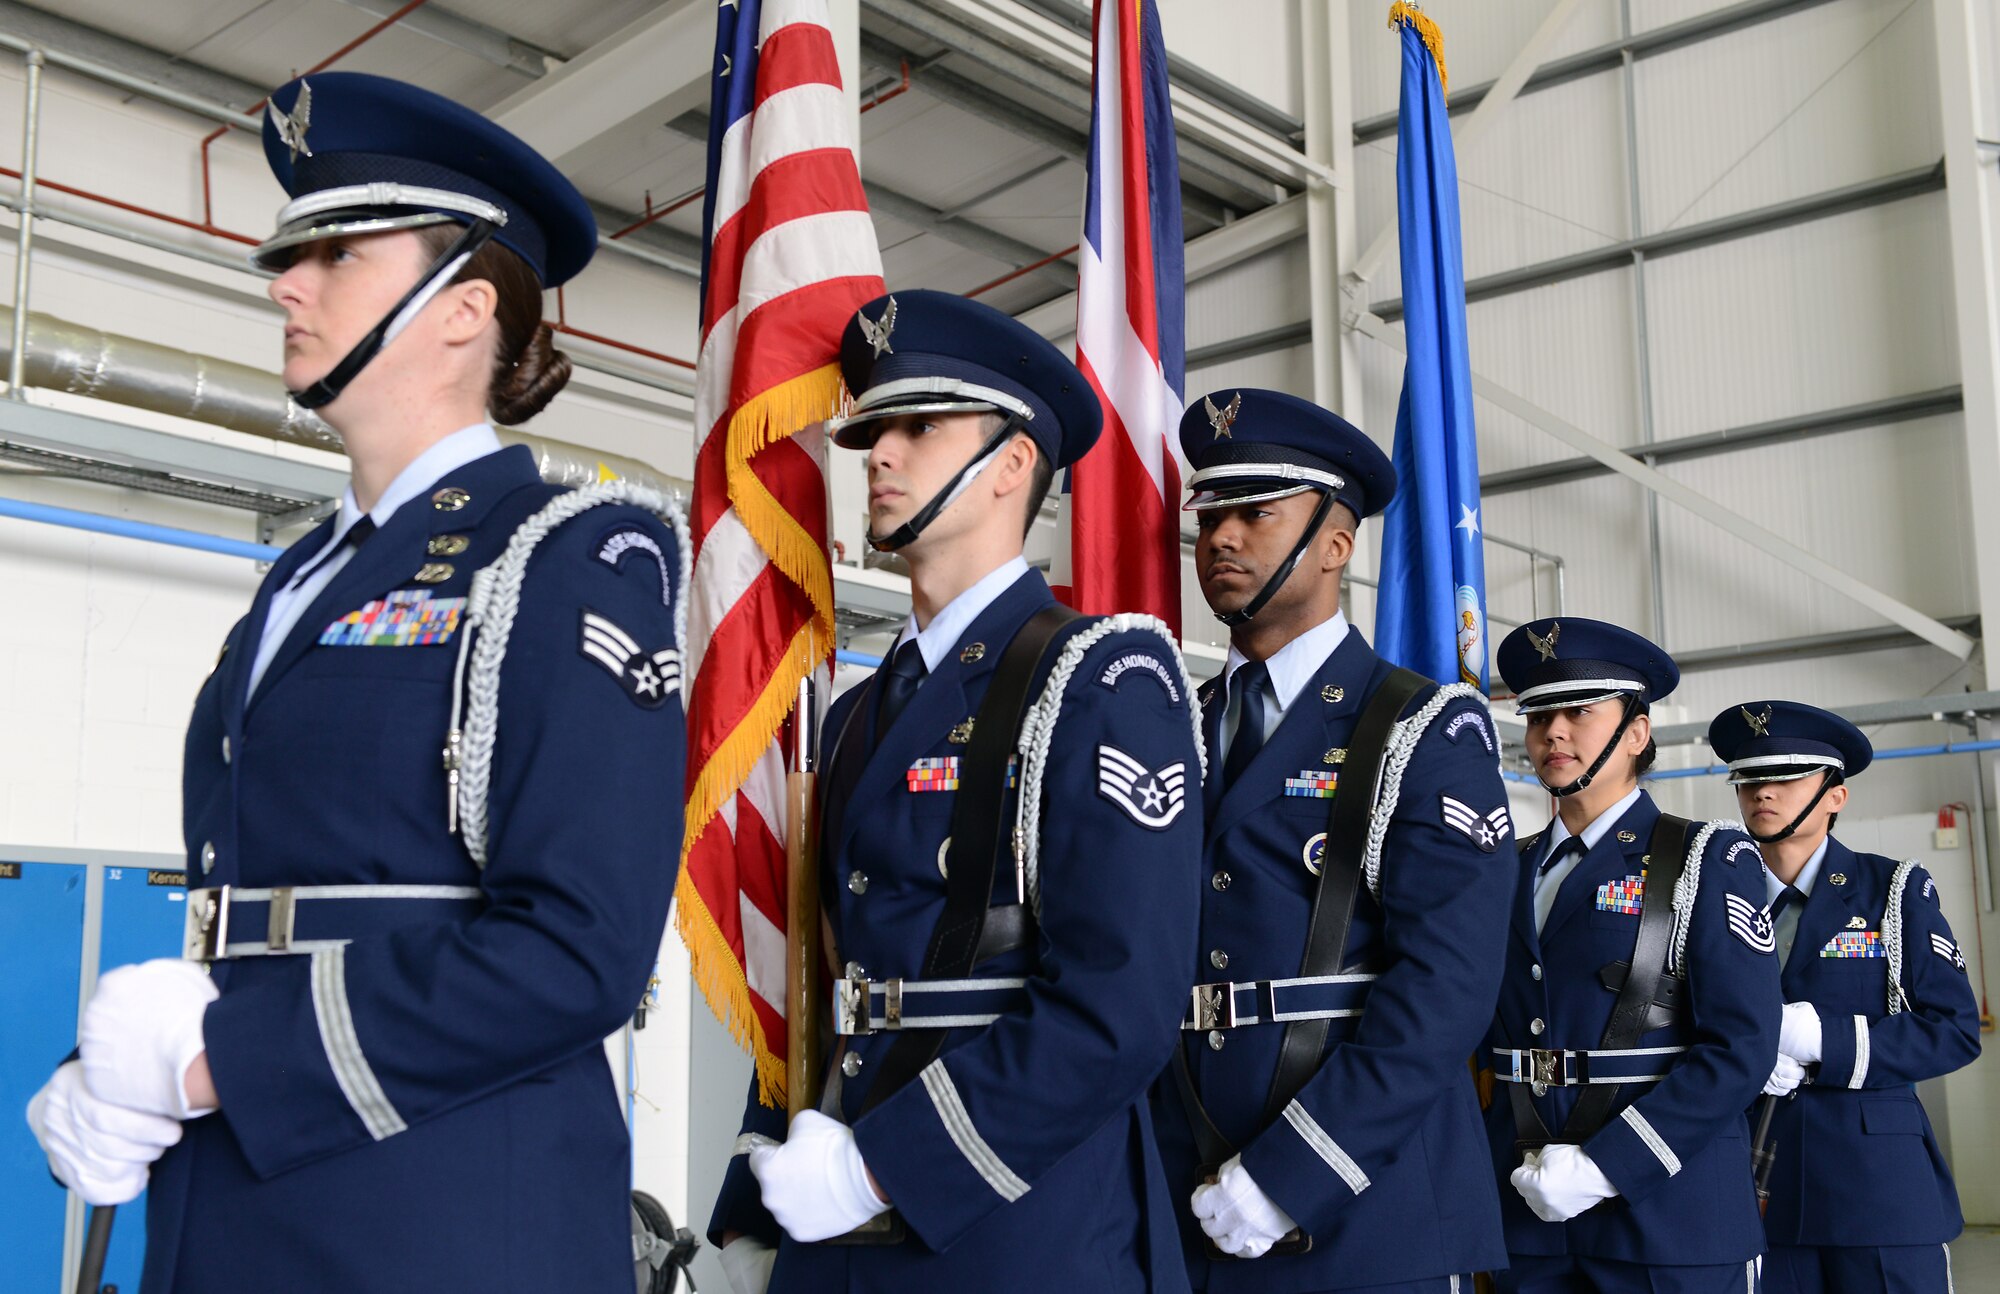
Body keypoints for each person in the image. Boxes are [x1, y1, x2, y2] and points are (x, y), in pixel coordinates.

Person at [23, 72, 687, 1292]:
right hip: (240, 1195)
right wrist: (126, 1072)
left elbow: (576, 949)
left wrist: (214, 1060)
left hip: (430, 1216)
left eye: (335, 254)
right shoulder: (303, 576)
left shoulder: (566, 555)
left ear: (462, 307)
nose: (287, 283)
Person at [706, 289, 1204, 1293]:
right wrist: (755, 1187)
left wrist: (878, 1168)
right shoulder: (852, 713)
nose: (879, 454)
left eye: (919, 428)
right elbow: (828, 984)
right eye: (875, 429)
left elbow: (1120, 1005)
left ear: (1011, 465)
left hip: (1008, 1225)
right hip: (835, 1221)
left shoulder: (1099, 682)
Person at [1151, 387, 1512, 1292]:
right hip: (1177, 1194)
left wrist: (1289, 1177)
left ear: (1337, 546)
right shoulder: (1169, 729)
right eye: (1212, 517)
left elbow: (1446, 989)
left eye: (1256, 515)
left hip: (1361, 1212)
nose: (1222, 538)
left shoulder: (1427, 729)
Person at [1484, 618, 1782, 1294]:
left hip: (1668, 1219)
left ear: (1637, 734)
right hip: (1529, 1216)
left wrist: (1606, 1168)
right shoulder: (1505, 867)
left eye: (1579, 712)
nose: (1553, 732)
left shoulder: (1708, 858)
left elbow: (1741, 1048)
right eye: (1539, 716)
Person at [1708, 700, 1981, 1294]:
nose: (1763, 792)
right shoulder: (1706, 898)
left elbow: (1954, 1028)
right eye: (1750, 779)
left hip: (1876, 1190)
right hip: (1752, 1180)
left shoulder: (1892, 890)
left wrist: (1822, 1041)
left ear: (1835, 795)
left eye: (1785, 777)